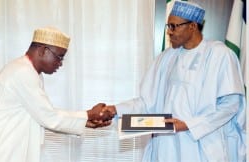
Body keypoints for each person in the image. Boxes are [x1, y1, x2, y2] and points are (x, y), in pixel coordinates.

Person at [104, 1, 246, 162]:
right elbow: (147, 102)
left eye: (174, 26)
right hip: (167, 146)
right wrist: (115, 109)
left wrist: (188, 125)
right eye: (168, 26)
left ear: (192, 26)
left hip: (203, 145)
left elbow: (230, 106)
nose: (169, 32)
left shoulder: (220, 55)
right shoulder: (166, 58)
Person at [0, 26, 115, 162]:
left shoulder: (30, 72)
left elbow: (41, 114)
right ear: (43, 50)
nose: (60, 64)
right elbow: (48, 117)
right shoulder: (22, 72)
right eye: (59, 57)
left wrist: (86, 120)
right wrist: (88, 115)